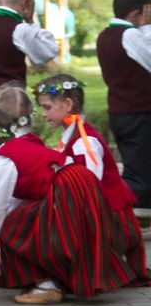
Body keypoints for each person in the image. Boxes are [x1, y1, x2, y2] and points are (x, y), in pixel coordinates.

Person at [0, 106, 135, 304]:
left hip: (67, 188)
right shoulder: (13, 150)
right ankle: (51, 281)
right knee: (20, 221)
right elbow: (8, 197)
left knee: (16, 227)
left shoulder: (4, 160)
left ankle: (47, 285)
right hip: (76, 183)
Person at [32, 74, 149, 284]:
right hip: (97, 209)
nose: (43, 114)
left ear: (68, 104)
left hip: (110, 217)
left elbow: (90, 185)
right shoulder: (74, 136)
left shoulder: (85, 142)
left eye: (47, 107)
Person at [96, 0, 151, 225]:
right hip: (138, 111)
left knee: (134, 166)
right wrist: (147, 27)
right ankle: (137, 221)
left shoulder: (104, 35)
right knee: (141, 171)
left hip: (119, 110)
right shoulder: (131, 36)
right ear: (138, 12)